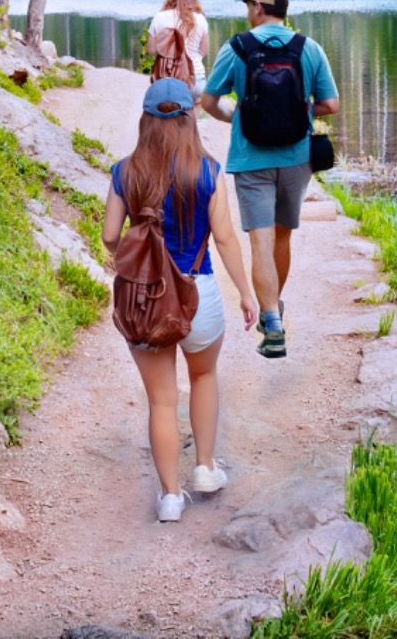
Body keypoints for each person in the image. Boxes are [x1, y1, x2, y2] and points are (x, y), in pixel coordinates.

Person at [102, 78, 258, 522]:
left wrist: (138, 260)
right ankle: (205, 469)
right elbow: (225, 238)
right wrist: (246, 293)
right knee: (204, 377)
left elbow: (111, 236)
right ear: (190, 118)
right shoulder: (207, 171)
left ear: (146, 121)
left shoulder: (124, 171)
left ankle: (170, 497)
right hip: (198, 292)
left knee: (162, 400)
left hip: (145, 301)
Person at [198, 0, 339, 359]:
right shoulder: (308, 47)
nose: (248, 10)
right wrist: (300, 111)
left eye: (249, 5)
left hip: (252, 159)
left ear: (259, 8)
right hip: (296, 159)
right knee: (281, 238)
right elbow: (330, 103)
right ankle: (274, 305)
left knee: (259, 241)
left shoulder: (238, 48)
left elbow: (209, 100)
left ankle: (272, 320)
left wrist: (238, 116)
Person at [147, 0, 210, 92]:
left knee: (169, 108)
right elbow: (204, 51)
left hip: (168, 76)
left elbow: (151, 50)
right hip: (196, 77)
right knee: (194, 108)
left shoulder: (159, 17)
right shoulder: (200, 18)